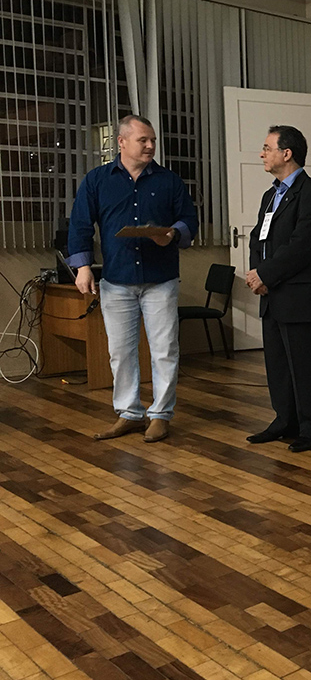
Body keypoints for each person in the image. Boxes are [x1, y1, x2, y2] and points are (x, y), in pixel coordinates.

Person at [67, 115, 198, 443]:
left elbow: (189, 220)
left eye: (153, 140)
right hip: (117, 279)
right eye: (143, 140)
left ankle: (160, 415)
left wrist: (172, 234)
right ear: (122, 142)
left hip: (161, 279)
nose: (151, 146)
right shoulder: (97, 180)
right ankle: (129, 413)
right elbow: (80, 224)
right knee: (120, 352)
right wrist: (83, 267)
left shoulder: (169, 181)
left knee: (164, 350)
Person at [245, 125, 311, 453]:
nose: (262, 154)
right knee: (278, 366)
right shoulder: (270, 195)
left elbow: (302, 246)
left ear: (287, 153)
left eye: (267, 148)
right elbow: (258, 238)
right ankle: (285, 420)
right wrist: (257, 274)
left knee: (307, 367)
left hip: (300, 297)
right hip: (272, 294)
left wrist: (266, 274)